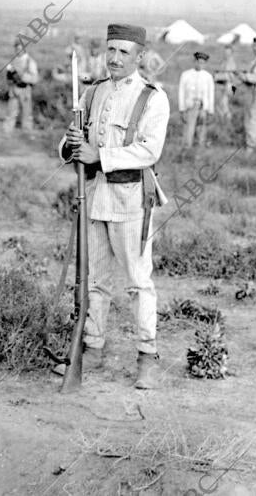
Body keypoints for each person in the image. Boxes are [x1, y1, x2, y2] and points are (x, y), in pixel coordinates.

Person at [57, 23, 170, 389]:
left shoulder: (152, 97)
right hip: (93, 198)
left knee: (138, 283)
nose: (115, 58)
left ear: (139, 57)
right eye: (111, 50)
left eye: (124, 52)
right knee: (94, 282)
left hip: (131, 201)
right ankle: (91, 348)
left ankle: (147, 357)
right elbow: (68, 145)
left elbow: (149, 150)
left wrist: (99, 154)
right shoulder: (91, 94)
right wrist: (71, 145)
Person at [236, 36, 256, 155]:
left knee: (252, 120)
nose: (254, 48)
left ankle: (251, 147)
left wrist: (244, 76)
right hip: (251, 92)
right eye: (253, 45)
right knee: (255, 119)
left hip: (255, 92)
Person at [178, 52, 215, 148]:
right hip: (190, 106)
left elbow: (210, 94)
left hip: (203, 107)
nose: (200, 65)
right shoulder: (186, 75)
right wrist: (182, 109)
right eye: (198, 62)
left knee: (201, 130)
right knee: (189, 130)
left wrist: (210, 110)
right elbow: (181, 93)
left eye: (203, 63)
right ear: (194, 62)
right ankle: (187, 150)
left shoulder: (208, 76)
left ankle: (200, 149)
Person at [4, 40, 39, 133]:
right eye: (16, 48)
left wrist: (22, 77)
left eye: (20, 48)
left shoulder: (29, 61)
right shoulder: (13, 61)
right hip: (14, 89)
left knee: (26, 113)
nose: (18, 51)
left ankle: (27, 134)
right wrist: (11, 76)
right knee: (11, 112)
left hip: (25, 90)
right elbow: (8, 77)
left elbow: (34, 78)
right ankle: (7, 133)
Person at [214, 44, 237, 121]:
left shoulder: (231, 62)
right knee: (221, 105)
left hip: (228, 86)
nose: (226, 54)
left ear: (231, 52)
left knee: (225, 106)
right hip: (222, 86)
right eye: (225, 52)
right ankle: (223, 122)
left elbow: (229, 76)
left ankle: (227, 123)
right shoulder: (224, 61)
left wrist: (217, 76)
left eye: (228, 52)